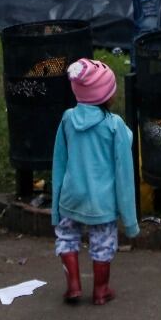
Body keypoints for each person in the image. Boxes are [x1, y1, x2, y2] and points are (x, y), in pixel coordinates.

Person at [51, 59, 139, 306]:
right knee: (103, 244)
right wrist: (130, 222)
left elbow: (59, 162)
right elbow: (124, 174)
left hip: (71, 197)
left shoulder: (68, 119)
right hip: (102, 202)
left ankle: (74, 286)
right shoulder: (115, 125)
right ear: (106, 96)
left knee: (67, 237)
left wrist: (55, 208)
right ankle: (101, 291)